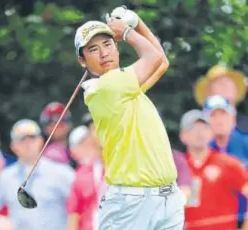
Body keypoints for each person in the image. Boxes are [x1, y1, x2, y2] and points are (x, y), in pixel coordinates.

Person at [75, 5, 185, 230]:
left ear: (116, 48)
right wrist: (127, 31)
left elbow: (162, 62)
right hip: (131, 204)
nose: (104, 53)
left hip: (168, 198)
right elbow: (153, 57)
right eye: (93, 49)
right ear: (82, 61)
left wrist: (136, 22)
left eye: (107, 44)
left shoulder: (126, 85)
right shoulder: (106, 87)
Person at [0, 119, 75, 230]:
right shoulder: (5, 177)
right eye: (22, 140)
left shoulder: (62, 173)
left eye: (32, 138)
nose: (27, 144)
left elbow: (78, 209)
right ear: (13, 146)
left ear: (41, 141)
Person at [179, 109, 248, 230]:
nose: (199, 133)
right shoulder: (177, 169)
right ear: (183, 136)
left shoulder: (228, 163)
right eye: (193, 129)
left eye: (204, 128)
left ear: (211, 133)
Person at [204, 95, 248, 227]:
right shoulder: (201, 150)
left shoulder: (245, 144)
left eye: (223, 114)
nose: (219, 120)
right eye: (213, 116)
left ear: (233, 119)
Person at [66, 125, 105, 230]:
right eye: (82, 142)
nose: (88, 144)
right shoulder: (81, 174)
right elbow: (74, 215)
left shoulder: (119, 166)